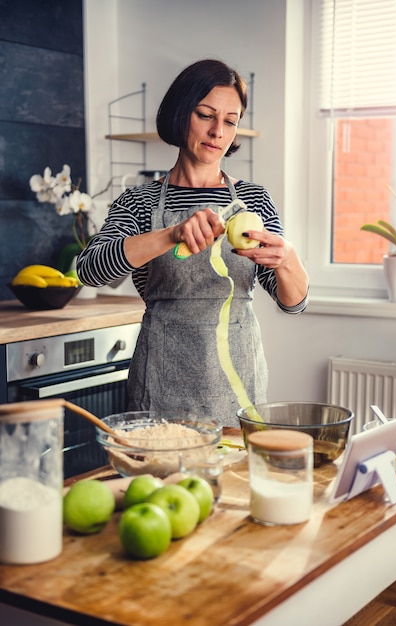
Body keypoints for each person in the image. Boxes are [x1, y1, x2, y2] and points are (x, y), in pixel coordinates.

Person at [77, 59, 309, 426]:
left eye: (230, 121)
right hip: (159, 388)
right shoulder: (138, 202)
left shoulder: (254, 200)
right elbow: (90, 271)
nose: (218, 131)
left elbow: (292, 303)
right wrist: (171, 234)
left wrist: (289, 259)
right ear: (181, 113)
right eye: (205, 115)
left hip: (239, 387)